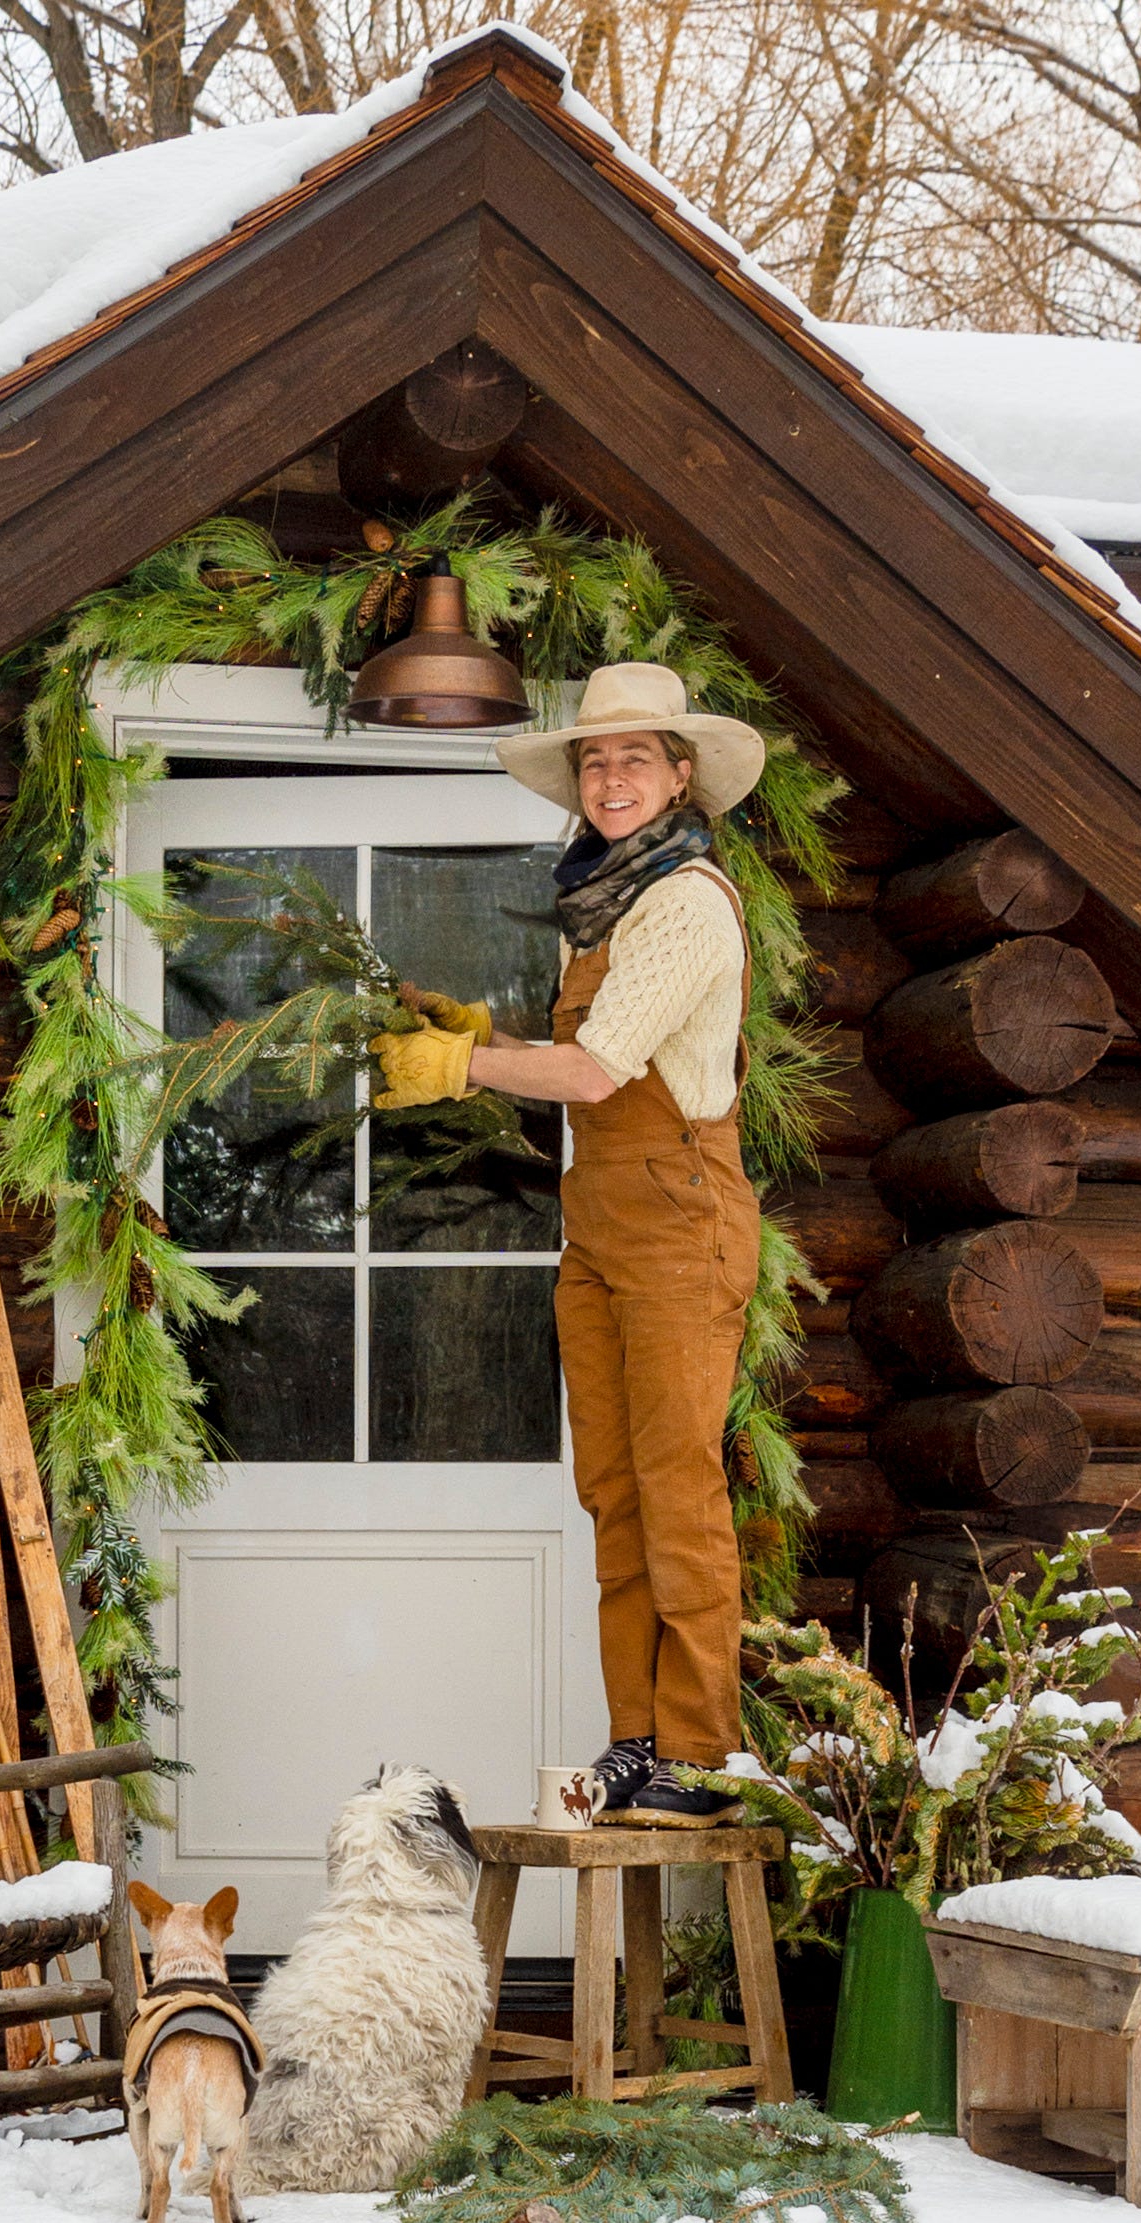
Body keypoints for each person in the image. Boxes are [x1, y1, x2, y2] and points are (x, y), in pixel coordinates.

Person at [370, 663, 765, 1828]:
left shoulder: (685, 898)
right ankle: (636, 1737)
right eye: (593, 760)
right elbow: (587, 1047)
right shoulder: (601, 896)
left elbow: (594, 1069)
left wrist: (460, 1067)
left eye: (634, 757)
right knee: (613, 1489)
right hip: (598, 1223)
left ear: (680, 773)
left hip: (678, 1217)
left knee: (678, 1482)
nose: (610, 777)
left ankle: (699, 1749)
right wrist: (477, 1030)